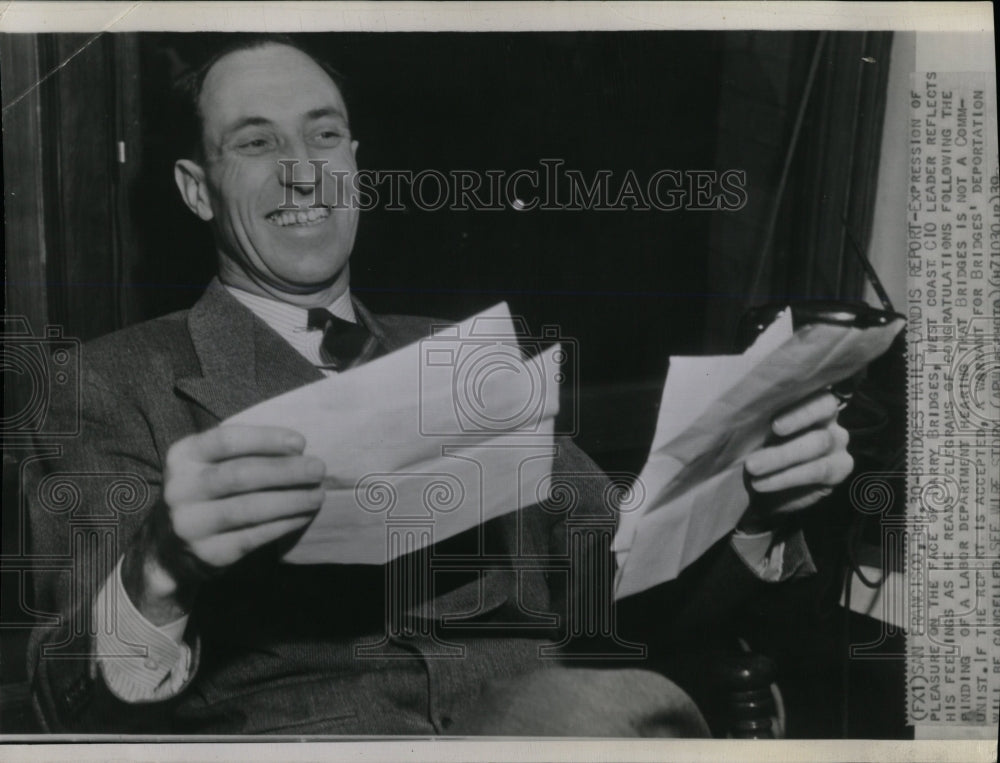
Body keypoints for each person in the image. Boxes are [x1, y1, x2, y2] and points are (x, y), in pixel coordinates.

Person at [26, 36, 853, 735]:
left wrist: (752, 505)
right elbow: (65, 698)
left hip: (560, 725)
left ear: (356, 164)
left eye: (324, 136)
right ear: (196, 190)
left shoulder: (465, 358)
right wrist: (159, 572)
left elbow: (630, 586)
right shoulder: (106, 382)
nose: (303, 173)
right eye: (255, 143)